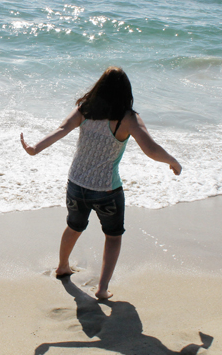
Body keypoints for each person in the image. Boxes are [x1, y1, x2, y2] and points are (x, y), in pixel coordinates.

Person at [20, 67, 181, 300]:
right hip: (107, 190)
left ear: (99, 87)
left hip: (76, 184)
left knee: (74, 226)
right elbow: (151, 149)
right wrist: (173, 161)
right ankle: (102, 288)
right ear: (126, 92)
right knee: (113, 236)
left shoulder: (85, 110)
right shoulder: (128, 119)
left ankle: (63, 266)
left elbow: (62, 129)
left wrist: (35, 148)